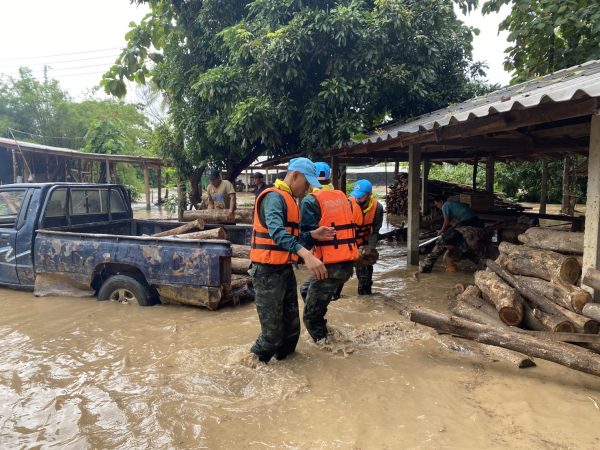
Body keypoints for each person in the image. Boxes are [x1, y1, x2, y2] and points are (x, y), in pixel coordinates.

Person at [248, 158, 335, 364]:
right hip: (266, 273)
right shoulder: (273, 198)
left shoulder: (289, 199)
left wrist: (313, 234)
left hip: (284, 271)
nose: (307, 190)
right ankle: (244, 368)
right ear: (295, 175)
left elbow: (291, 239)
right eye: (306, 184)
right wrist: (307, 254)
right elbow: (277, 233)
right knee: (271, 337)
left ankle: (286, 371)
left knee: (291, 334)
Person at [300, 161, 358, 344]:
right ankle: (324, 326)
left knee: (309, 318)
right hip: (346, 263)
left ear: (309, 179)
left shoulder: (310, 201)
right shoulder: (342, 196)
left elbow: (307, 238)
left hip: (330, 267)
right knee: (305, 289)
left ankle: (328, 349)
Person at [348, 179, 384, 295]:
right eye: (356, 195)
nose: (357, 199)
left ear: (369, 195)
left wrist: (370, 248)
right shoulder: (348, 204)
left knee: (365, 278)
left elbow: (375, 231)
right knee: (339, 275)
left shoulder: (377, 208)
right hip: (348, 243)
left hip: (364, 244)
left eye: (361, 196)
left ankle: (365, 298)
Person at [413, 226, 489, 278]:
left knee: (479, 261)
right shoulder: (444, 239)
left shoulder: (473, 243)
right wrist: (422, 270)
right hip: (461, 237)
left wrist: (483, 274)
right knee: (447, 257)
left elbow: (482, 259)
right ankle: (452, 273)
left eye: (447, 246)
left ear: (456, 245)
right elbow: (433, 255)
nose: (445, 247)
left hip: (481, 236)